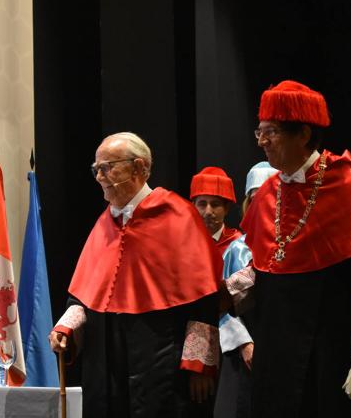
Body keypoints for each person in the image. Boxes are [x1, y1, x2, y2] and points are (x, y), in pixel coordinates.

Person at [222, 80, 351, 417]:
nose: (262, 142)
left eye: (271, 132)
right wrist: (225, 293)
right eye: (259, 132)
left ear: (303, 134)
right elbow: (265, 266)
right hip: (277, 345)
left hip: (332, 342)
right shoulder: (268, 193)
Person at [49, 132, 222, 418]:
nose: (100, 176)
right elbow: (84, 294)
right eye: (96, 169)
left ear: (139, 168)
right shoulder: (105, 222)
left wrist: (199, 366)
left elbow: (203, 298)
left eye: (108, 167)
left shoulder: (178, 215)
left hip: (161, 355)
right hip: (106, 361)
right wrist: (65, 328)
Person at [214, 162, 278, 418]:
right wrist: (244, 344)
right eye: (255, 198)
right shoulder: (238, 248)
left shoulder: (295, 243)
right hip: (245, 352)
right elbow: (223, 306)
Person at [190, 167, 243, 255]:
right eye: (202, 204)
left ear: (226, 208)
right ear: (193, 206)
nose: (208, 212)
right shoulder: (184, 242)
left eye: (215, 204)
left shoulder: (238, 246)